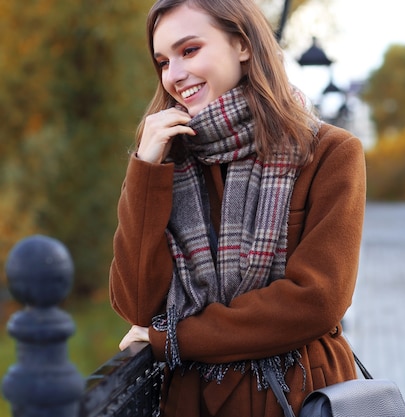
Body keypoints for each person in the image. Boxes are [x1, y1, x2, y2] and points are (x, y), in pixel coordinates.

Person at [109, 0, 366, 416]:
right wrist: (144, 172)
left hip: (298, 397)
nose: (174, 75)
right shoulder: (167, 160)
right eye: (162, 61)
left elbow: (316, 301)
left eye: (189, 50)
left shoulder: (330, 153)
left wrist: (174, 338)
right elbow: (137, 305)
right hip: (193, 402)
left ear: (242, 45)